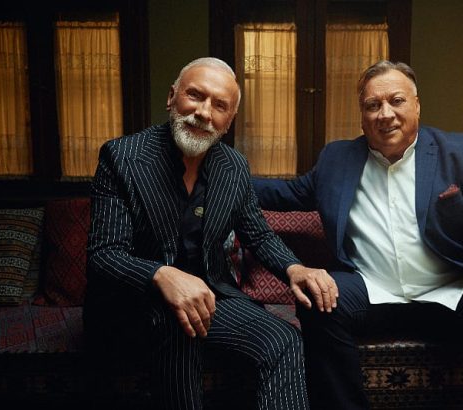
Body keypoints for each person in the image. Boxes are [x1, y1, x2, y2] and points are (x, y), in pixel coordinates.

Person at [252, 60, 463, 410]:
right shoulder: (336, 159)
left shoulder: (459, 153)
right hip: (372, 292)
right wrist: (219, 171)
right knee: (317, 301)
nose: (385, 114)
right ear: (362, 116)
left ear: (417, 105)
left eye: (396, 101)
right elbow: (284, 194)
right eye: (373, 105)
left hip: (453, 291)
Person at [84, 57, 338, 410]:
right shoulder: (122, 157)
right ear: (172, 97)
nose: (204, 113)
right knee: (179, 324)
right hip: (133, 304)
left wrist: (294, 268)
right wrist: (163, 274)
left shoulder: (233, 166)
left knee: (283, 340)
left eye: (220, 105)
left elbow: (259, 234)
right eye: (195, 95)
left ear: (229, 120)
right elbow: (104, 254)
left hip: (210, 297)